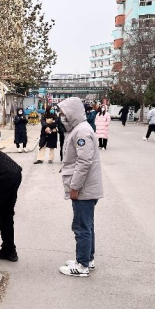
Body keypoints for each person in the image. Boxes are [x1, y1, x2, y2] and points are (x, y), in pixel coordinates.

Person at [57, 97, 104, 278]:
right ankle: (87, 259)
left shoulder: (82, 131)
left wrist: (74, 187)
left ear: (72, 112)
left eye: (63, 113)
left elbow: (84, 162)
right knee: (87, 225)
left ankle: (82, 265)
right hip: (86, 187)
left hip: (83, 188)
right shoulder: (79, 129)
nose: (62, 117)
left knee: (81, 226)